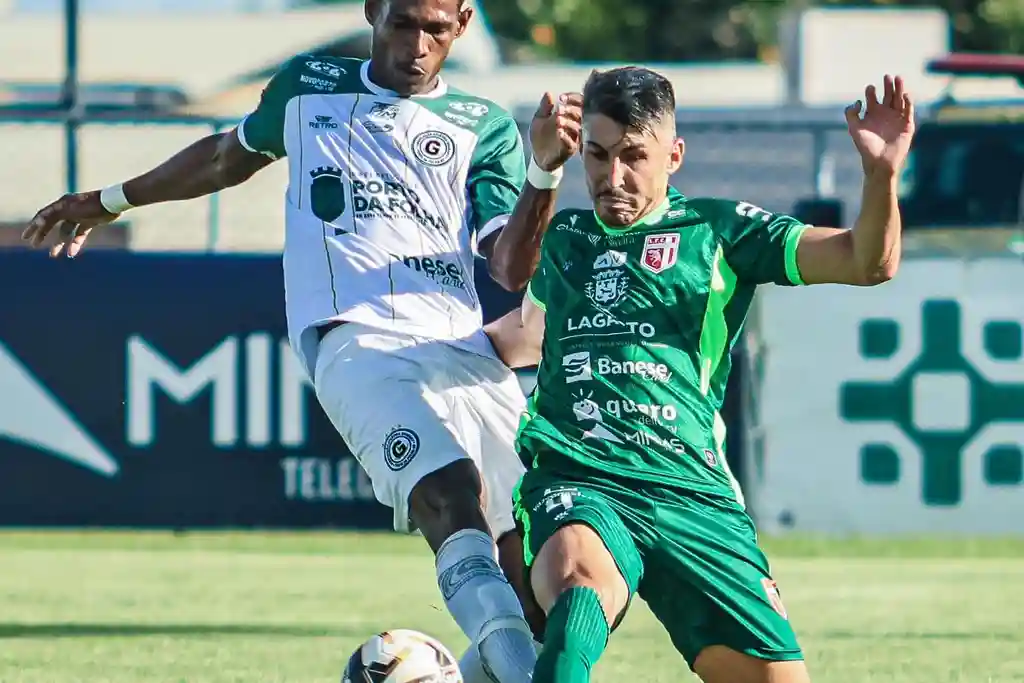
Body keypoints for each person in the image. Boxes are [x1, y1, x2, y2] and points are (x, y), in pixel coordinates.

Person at [19, 1, 584, 681]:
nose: (416, 43)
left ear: (462, 23)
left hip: (463, 353)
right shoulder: (309, 86)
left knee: (541, 574)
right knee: (450, 495)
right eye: (402, 21)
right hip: (356, 342)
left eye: (435, 27)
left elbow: (509, 267)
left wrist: (544, 173)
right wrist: (112, 198)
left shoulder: (483, 126)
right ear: (373, 9)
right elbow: (226, 157)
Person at [496, 66, 915, 683]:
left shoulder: (720, 231)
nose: (613, 178)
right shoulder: (562, 238)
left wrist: (881, 175)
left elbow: (865, 261)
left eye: (634, 156)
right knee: (579, 592)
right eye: (598, 155)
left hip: (693, 493)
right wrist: (543, 167)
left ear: (675, 155)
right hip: (581, 476)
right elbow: (511, 296)